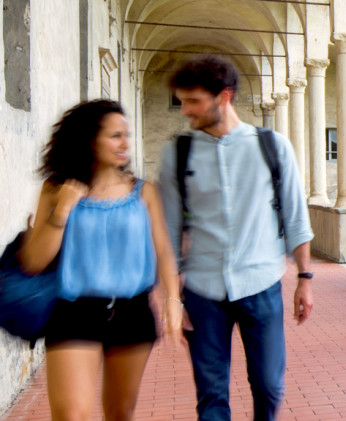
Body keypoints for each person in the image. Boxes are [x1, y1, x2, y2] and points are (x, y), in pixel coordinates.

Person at [158, 56, 315, 421]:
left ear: (224, 97)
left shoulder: (273, 147)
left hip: (261, 284)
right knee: (211, 397)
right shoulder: (176, 154)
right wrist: (171, 298)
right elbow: (167, 232)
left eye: (193, 101)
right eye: (182, 101)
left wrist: (305, 280)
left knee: (269, 387)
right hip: (202, 291)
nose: (185, 111)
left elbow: (296, 218)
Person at [20, 99, 182, 420]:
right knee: (71, 415)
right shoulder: (55, 190)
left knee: (119, 412)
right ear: (89, 138)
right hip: (73, 311)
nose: (125, 144)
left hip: (132, 310)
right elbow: (34, 261)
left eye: (126, 135)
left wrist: (173, 300)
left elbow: (163, 250)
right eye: (115, 136)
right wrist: (63, 211)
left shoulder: (143, 192)